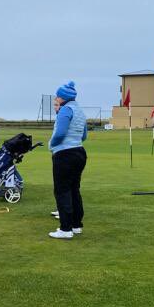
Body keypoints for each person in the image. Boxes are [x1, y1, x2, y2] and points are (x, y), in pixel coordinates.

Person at [48, 81, 88, 239]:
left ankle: (65, 229)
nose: (56, 98)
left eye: (58, 95)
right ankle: (76, 225)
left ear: (63, 97)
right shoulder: (79, 110)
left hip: (65, 155)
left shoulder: (65, 110)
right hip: (79, 152)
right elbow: (84, 136)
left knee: (62, 190)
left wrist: (52, 144)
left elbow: (60, 133)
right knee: (74, 190)